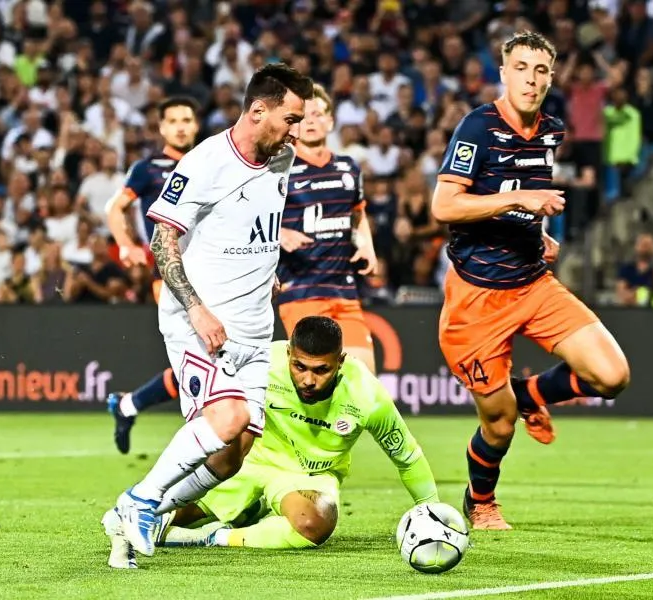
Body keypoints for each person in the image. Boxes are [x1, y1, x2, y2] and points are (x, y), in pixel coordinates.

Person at [111, 64, 313, 559]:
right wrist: (197, 309)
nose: (296, 131)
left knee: (231, 456)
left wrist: (268, 270)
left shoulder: (280, 157)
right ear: (257, 109)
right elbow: (163, 239)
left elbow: (254, 221)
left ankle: (135, 514)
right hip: (201, 321)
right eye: (290, 118)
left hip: (253, 324)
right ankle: (142, 498)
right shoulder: (203, 164)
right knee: (228, 416)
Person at [431, 31, 630, 530]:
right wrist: (520, 203)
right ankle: (480, 503)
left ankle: (527, 395)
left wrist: (536, 233)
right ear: (503, 72)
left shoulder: (551, 131)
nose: (532, 79)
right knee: (497, 428)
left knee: (611, 376)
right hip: (476, 299)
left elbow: (521, 192)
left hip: (533, 284)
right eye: (521, 68)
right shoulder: (477, 127)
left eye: (541, 71)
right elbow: (445, 205)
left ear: (551, 77)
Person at [102, 316, 438, 568]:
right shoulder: (264, 360)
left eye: (321, 370)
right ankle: (150, 509)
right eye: (299, 366)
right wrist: (137, 402)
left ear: (341, 362)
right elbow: (192, 377)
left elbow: (406, 456)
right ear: (289, 353)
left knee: (314, 522)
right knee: (168, 513)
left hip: (308, 476)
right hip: (249, 463)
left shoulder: (367, 394)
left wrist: (431, 510)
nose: (308, 379)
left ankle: (213, 537)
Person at [104, 97, 200, 454]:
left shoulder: (209, 162)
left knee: (200, 359)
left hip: (212, 273)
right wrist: (127, 244)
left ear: (195, 124)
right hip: (171, 277)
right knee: (202, 355)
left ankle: (127, 406)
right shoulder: (148, 169)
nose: (179, 126)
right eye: (172, 120)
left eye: (186, 119)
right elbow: (116, 208)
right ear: (161, 127)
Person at [277, 83, 379, 373]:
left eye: (318, 114)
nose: (311, 121)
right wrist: (279, 234)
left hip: (343, 289)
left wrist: (367, 247)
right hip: (301, 290)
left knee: (364, 380)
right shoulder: (278, 168)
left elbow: (358, 215)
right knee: (316, 378)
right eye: (304, 116)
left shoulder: (349, 167)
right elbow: (248, 217)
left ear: (330, 121)